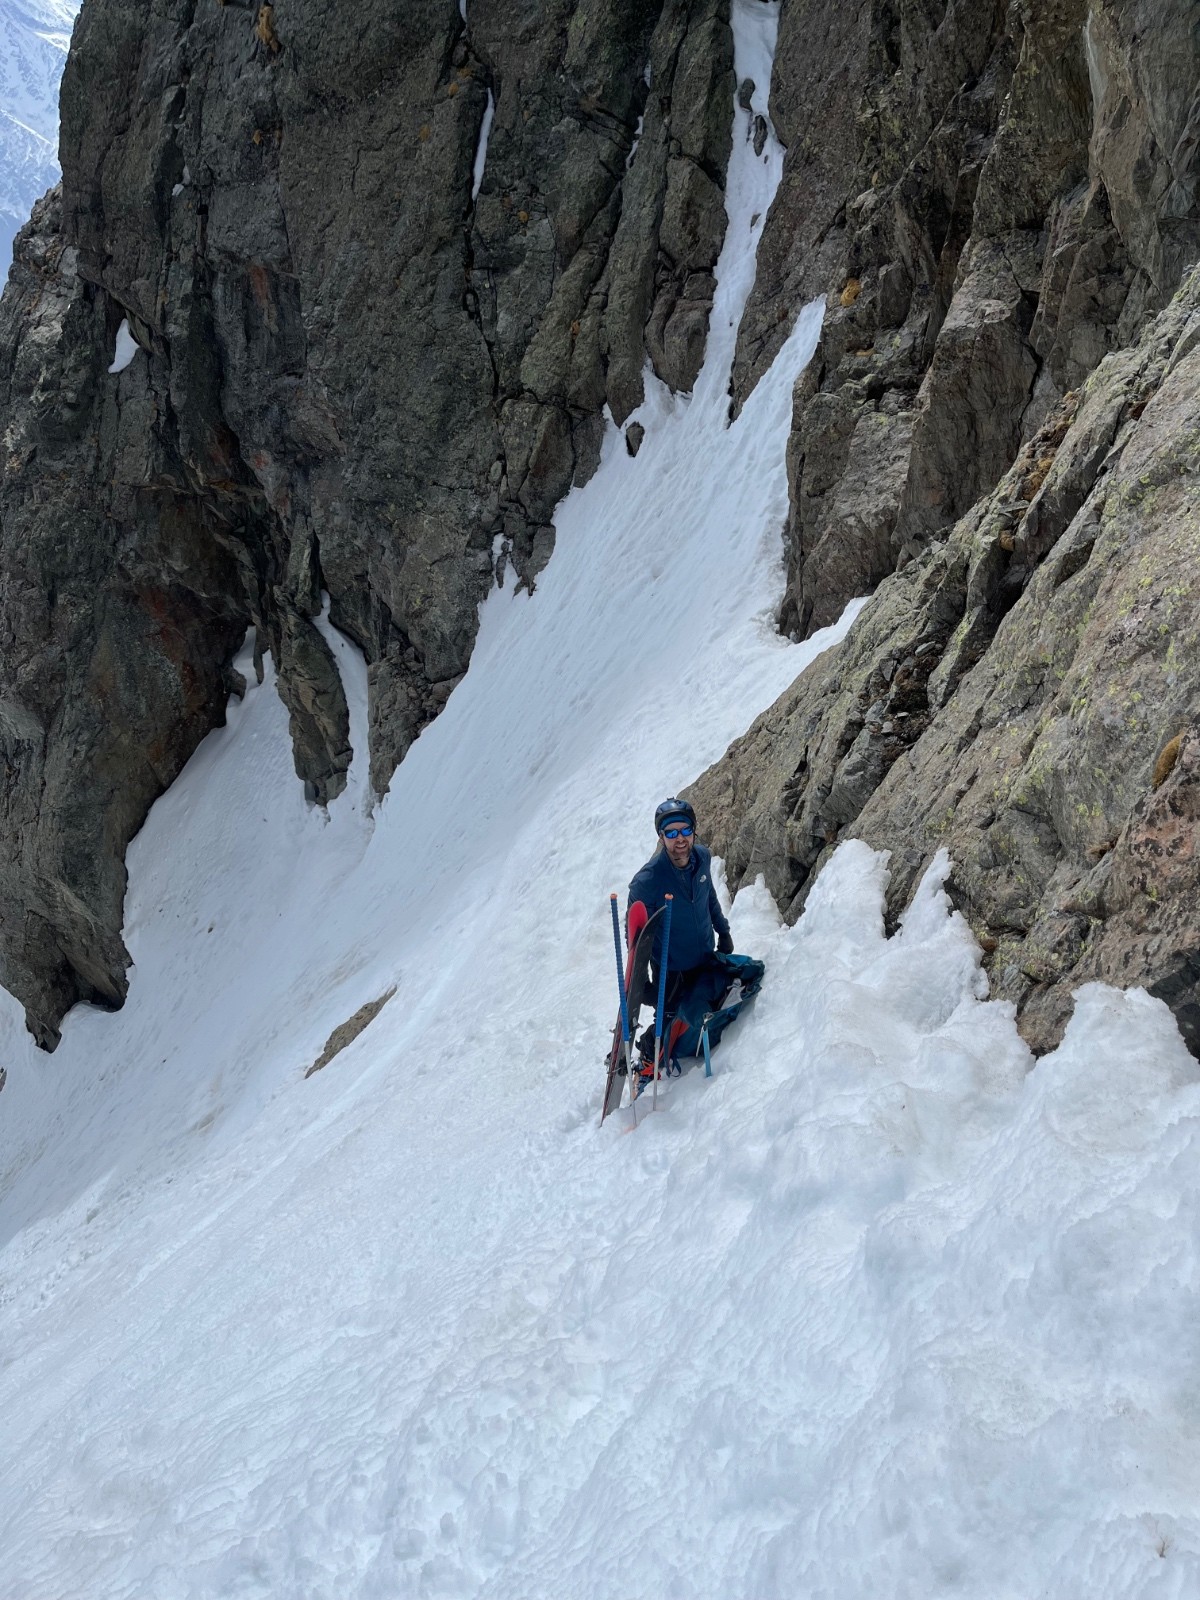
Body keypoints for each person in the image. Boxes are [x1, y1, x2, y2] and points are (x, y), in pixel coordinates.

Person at [626, 797, 735, 1084]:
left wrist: (723, 931)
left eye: (685, 830)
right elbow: (636, 937)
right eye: (671, 833)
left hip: (704, 952)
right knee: (669, 1021)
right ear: (661, 837)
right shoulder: (647, 881)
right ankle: (648, 1058)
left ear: (694, 830)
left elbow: (709, 898)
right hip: (671, 967)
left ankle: (691, 1043)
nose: (680, 839)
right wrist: (642, 985)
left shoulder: (702, 858)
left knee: (705, 1003)